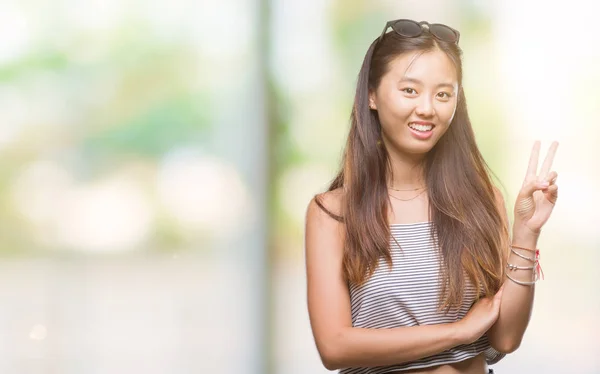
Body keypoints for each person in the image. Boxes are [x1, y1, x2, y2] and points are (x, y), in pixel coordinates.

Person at [304, 19, 559, 374]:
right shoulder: (333, 213)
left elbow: (505, 338)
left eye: (443, 94)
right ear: (372, 96)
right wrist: (456, 333)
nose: (428, 108)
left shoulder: (483, 202)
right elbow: (334, 347)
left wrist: (527, 232)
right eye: (410, 90)